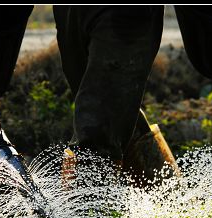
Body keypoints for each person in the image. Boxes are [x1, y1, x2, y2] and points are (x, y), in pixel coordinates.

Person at [52, 6, 180, 186]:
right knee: (114, 113)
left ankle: (88, 211)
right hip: (72, 11)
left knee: (97, 129)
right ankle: (168, 200)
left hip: (122, 13)